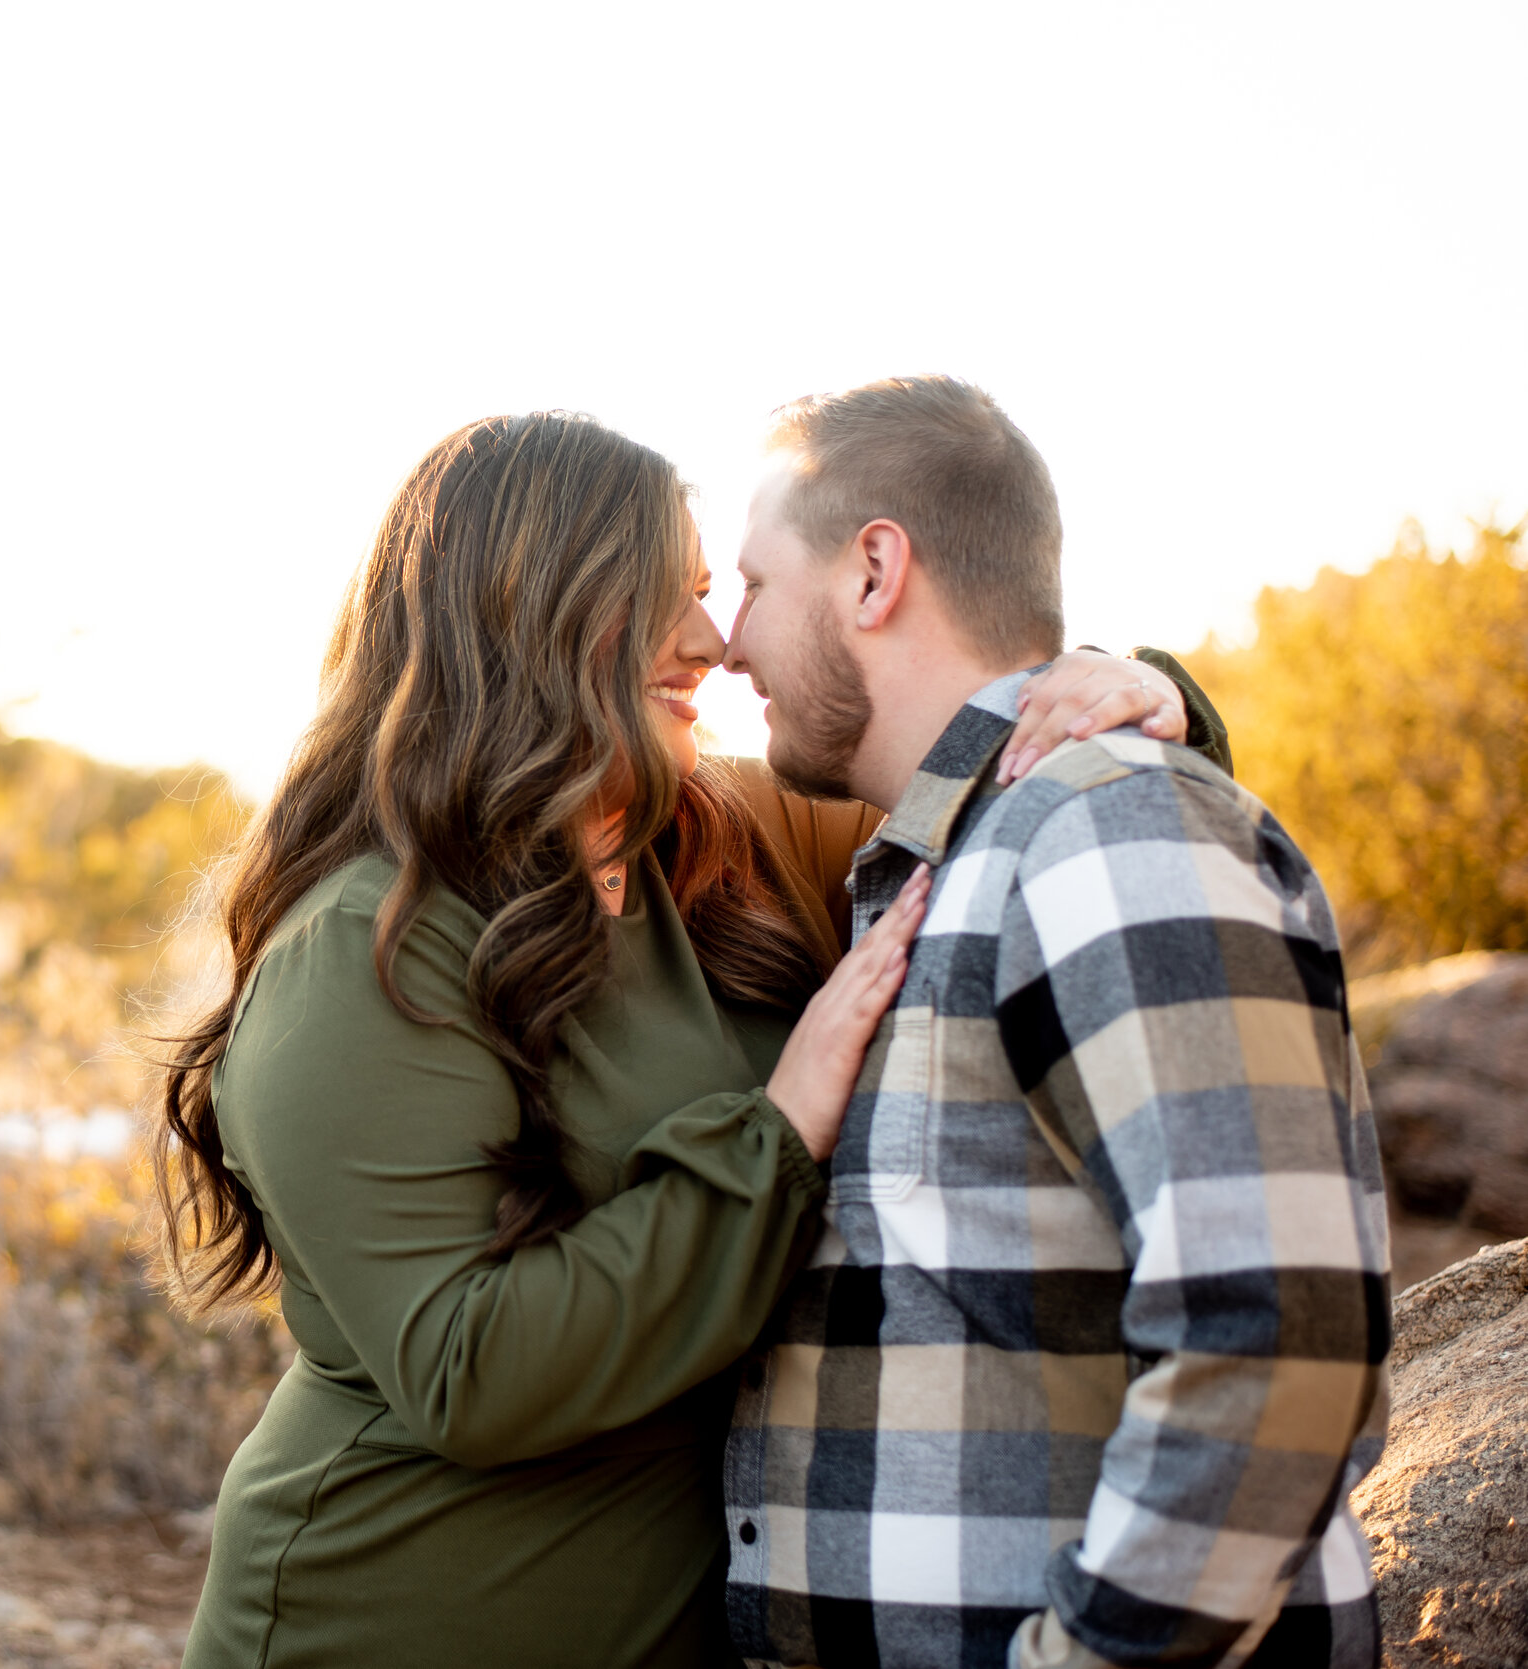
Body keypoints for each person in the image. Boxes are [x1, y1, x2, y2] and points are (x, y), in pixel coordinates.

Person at [152, 412, 1219, 1668]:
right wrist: (779, 1128)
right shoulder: (361, 949)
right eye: (666, 600)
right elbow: (471, 1368)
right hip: (392, 1614)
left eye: (715, 595)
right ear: (528, 607)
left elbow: (982, 765)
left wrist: (1142, 688)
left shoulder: (727, 832)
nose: (712, 643)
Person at [715, 376, 1388, 1669]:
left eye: (753, 582)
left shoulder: (1098, 826)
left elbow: (1281, 1331)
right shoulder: (936, 867)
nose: (729, 638)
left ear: (873, 572)